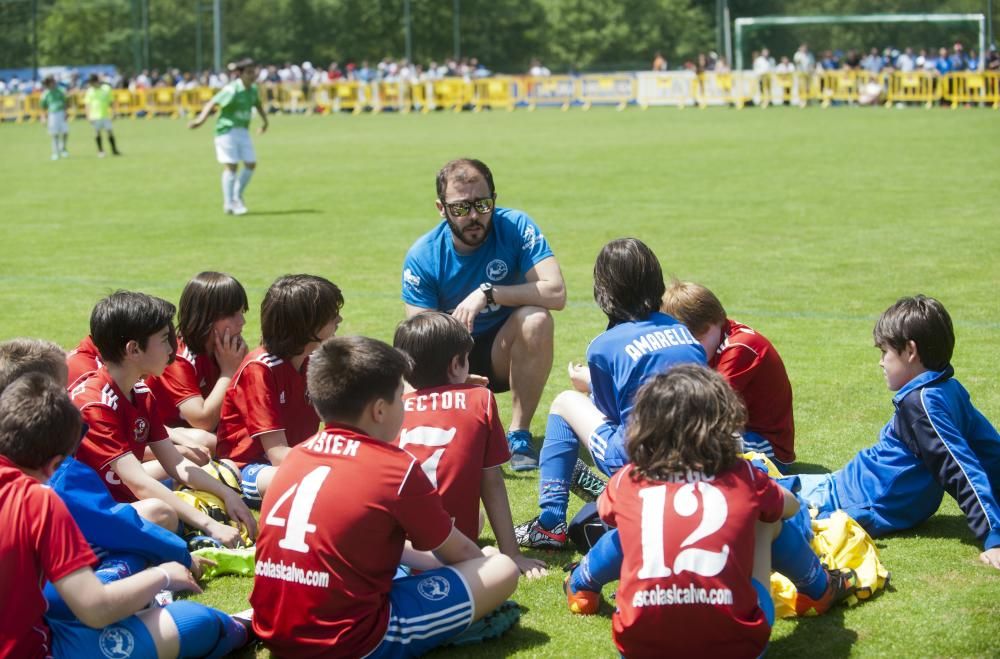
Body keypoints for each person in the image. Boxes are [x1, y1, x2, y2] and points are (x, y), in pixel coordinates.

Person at [250, 336, 520, 656]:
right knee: (501, 568)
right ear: (379, 410)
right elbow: (461, 552)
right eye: (400, 397)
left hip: (272, 629)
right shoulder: (394, 467)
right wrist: (482, 569)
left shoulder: (295, 457)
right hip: (352, 642)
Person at [0, 373, 249, 659]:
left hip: (42, 609)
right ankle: (242, 627)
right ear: (55, 463)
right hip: (38, 646)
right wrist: (163, 575)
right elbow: (95, 609)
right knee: (195, 621)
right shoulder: (38, 499)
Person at [515, 238, 706, 549]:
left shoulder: (603, 346)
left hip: (641, 459)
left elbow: (612, 415)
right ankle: (595, 486)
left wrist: (590, 384)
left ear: (604, 291)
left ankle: (549, 525)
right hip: (699, 455)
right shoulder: (681, 330)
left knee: (565, 404)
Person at [599, 365, 798, 657]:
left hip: (638, 647)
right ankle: (819, 586)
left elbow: (606, 513)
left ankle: (582, 583)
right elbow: (790, 506)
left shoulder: (627, 479)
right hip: (736, 646)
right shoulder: (743, 476)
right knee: (767, 520)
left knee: (633, 529)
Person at [790, 295, 1000, 569]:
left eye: (884, 352)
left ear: (910, 351)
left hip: (842, 501)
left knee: (743, 495)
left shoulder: (921, 403)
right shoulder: (949, 388)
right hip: (843, 485)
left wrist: (993, 536)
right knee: (752, 478)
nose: (880, 362)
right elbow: (990, 452)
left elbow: (959, 467)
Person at [401, 158, 567, 471]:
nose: (475, 216)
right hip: (449, 358)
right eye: (462, 208)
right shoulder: (423, 255)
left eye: (483, 204)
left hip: (504, 352)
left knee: (537, 318)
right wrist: (454, 378)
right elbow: (419, 343)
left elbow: (556, 292)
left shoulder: (516, 226)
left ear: (494, 199)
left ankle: (519, 435)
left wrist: (489, 292)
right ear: (441, 208)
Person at [69, 291, 257, 547]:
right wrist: (210, 525)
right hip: (80, 513)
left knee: (178, 503)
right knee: (161, 513)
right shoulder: (94, 405)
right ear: (133, 349)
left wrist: (227, 494)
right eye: (163, 340)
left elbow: (176, 463)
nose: (171, 349)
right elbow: (139, 483)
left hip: (118, 502)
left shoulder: (140, 392)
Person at [393, 312, 547, 579]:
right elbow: (492, 482)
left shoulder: (391, 409)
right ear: (456, 365)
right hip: (450, 550)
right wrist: (513, 554)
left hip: (394, 542)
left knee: (477, 520)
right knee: (488, 550)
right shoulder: (480, 399)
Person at [216, 274, 343, 506]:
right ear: (307, 324)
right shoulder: (260, 369)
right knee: (316, 481)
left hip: (293, 460)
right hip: (249, 469)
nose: (339, 319)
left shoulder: (313, 360)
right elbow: (277, 454)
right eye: (331, 316)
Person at [661, 280, 795, 469]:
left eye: (695, 342)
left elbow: (709, 408)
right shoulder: (718, 338)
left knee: (689, 447)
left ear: (711, 325)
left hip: (767, 446)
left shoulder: (739, 348)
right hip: (738, 432)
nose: (691, 351)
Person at [148, 271, 249, 435]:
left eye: (242, 312)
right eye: (231, 314)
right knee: (209, 441)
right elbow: (203, 421)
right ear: (205, 317)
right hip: (160, 437)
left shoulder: (228, 349)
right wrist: (229, 372)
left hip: (195, 434)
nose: (242, 322)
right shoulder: (177, 358)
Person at [188, 58, 269, 215]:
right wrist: (200, 120)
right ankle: (229, 202)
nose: (253, 75)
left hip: (243, 130)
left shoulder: (252, 89)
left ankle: (236, 195)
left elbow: (257, 105)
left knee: (251, 164)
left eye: (254, 72)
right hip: (227, 131)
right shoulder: (232, 90)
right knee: (231, 166)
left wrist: (265, 122)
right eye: (249, 72)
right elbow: (213, 102)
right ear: (240, 74)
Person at [84, 73, 120, 157]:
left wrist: (114, 113)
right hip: (94, 116)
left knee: (109, 132)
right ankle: (100, 151)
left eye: (91, 82)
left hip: (105, 114)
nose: (90, 84)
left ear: (95, 81)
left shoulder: (106, 89)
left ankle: (114, 150)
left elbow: (111, 102)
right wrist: (88, 116)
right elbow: (87, 104)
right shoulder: (90, 91)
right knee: (97, 133)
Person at [40, 75, 69, 160]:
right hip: (52, 114)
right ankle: (55, 152)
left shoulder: (61, 91)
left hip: (61, 113)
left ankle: (63, 148)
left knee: (65, 132)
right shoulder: (45, 94)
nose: (53, 84)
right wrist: (43, 117)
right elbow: (43, 107)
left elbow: (65, 102)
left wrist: (66, 112)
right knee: (54, 134)